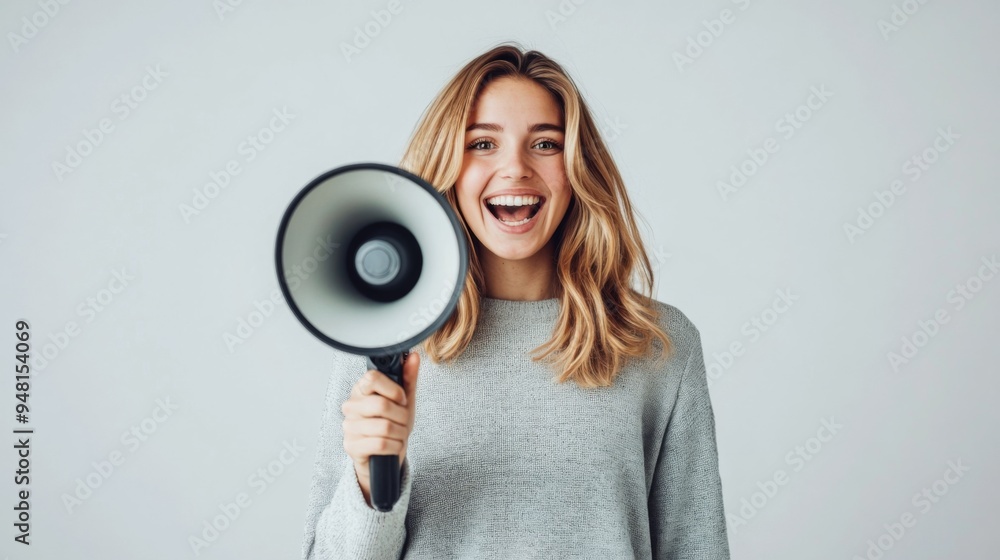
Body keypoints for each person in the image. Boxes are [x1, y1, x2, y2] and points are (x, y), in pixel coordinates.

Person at [301, 43, 730, 559]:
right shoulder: (380, 338)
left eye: (545, 144)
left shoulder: (659, 346)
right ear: (449, 168)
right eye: (483, 143)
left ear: (576, 170)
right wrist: (372, 483)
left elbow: (696, 547)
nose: (516, 169)